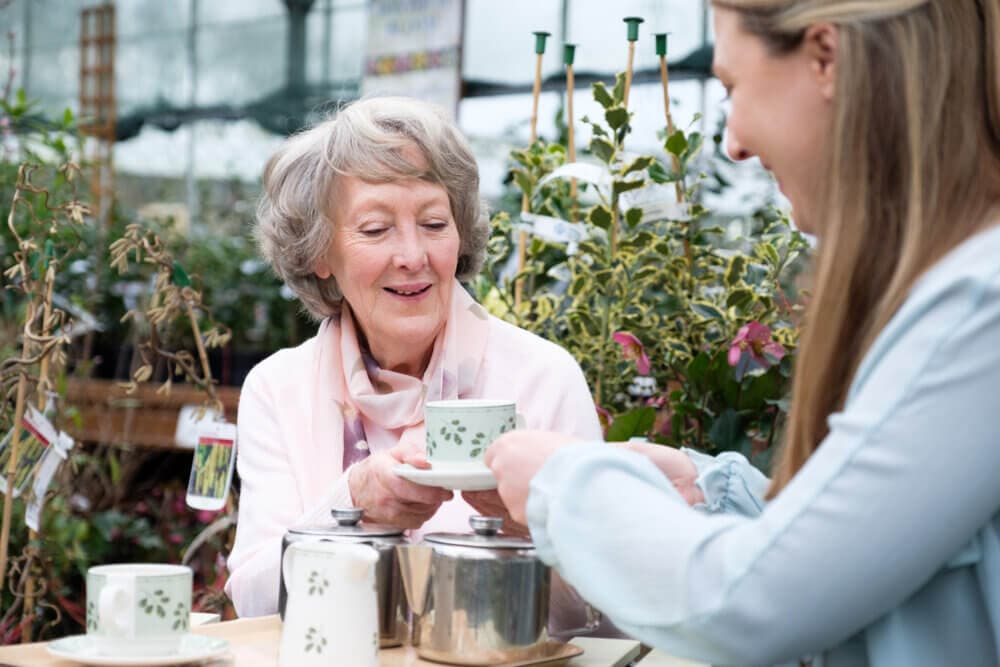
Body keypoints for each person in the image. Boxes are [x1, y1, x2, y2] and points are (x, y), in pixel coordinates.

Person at [486, 1, 1000, 665]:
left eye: (731, 87)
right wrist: (709, 490)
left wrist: (564, 485)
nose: (733, 141)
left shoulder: (977, 309)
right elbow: (854, 554)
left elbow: (755, 601)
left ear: (827, 57)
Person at [224, 96, 605, 624]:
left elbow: (604, 616)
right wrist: (353, 504)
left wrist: (524, 524)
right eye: (376, 229)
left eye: (433, 223)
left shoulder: (541, 376)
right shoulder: (278, 386)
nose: (412, 256)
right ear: (318, 254)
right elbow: (255, 600)